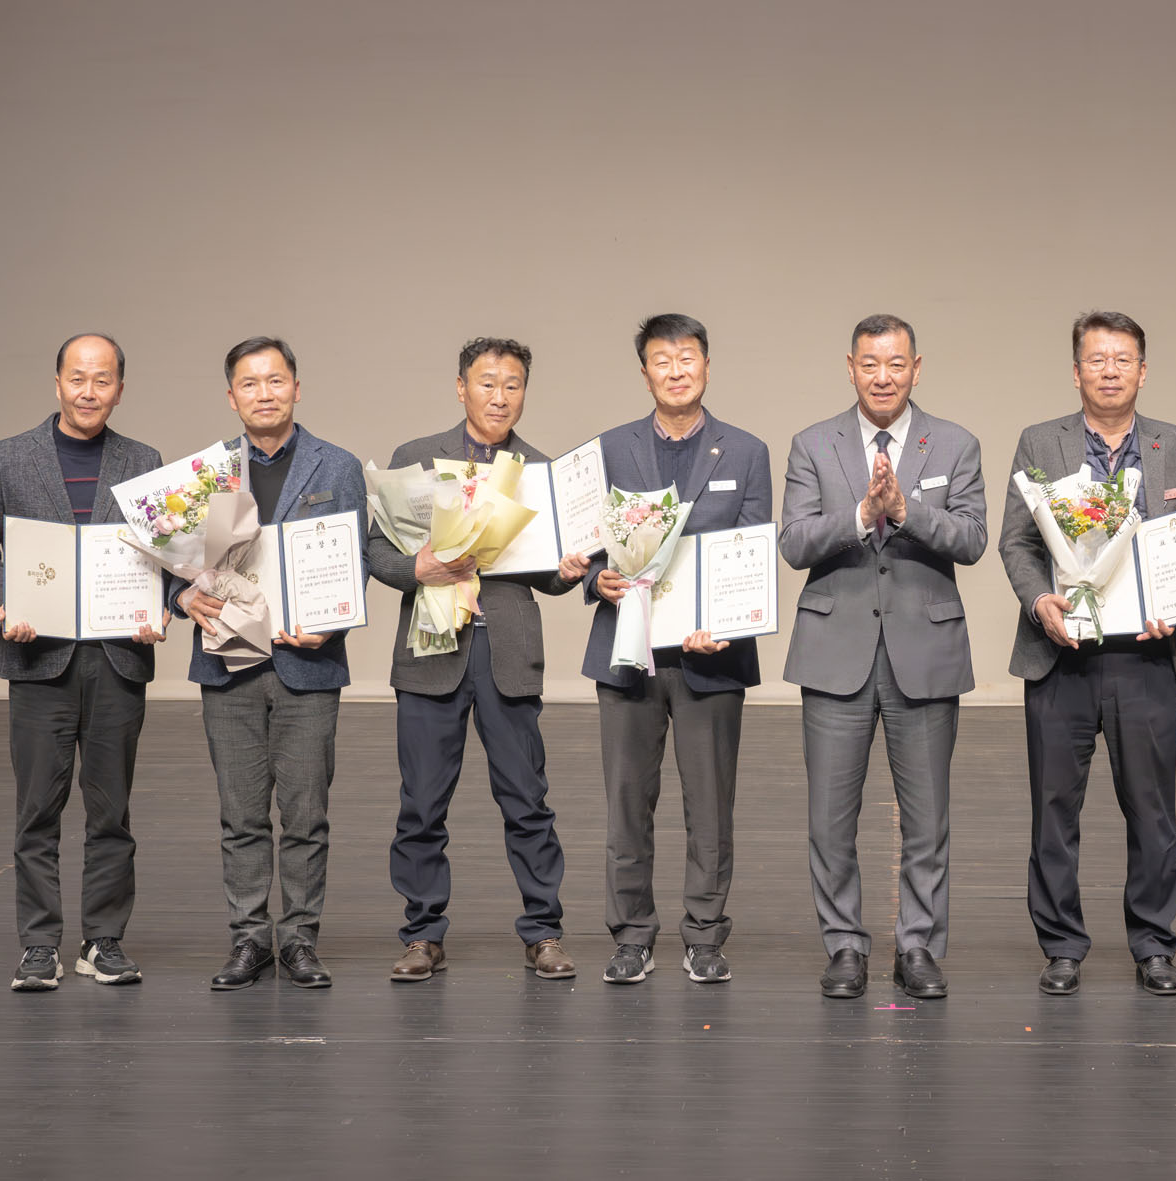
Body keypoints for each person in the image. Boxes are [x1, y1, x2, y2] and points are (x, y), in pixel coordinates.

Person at [366, 336, 593, 983]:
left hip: (507, 651)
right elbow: (377, 551)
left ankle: (544, 932)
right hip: (431, 648)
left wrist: (567, 571)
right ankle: (422, 934)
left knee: (527, 799)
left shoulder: (540, 471)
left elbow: (546, 575)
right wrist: (417, 567)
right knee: (421, 803)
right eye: (487, 383)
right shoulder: (416, 459)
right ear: (461, 387)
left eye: (512, 384)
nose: (500, 396)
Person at [999, 309, 1176, 998]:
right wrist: (1040, 601)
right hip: (1060, 654)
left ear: (1143, 371)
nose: (1109, 371)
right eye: (1097, 359)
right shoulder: (1040, 441)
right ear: (1076, 371)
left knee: (1151, 808)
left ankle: (1153, 943)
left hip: (1145, 657)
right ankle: (1061, 944)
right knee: (1054, 809)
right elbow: (1017, 541)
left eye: (1122, 359)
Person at [780, 313, 987, 1000]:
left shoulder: (955, 443)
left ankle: (918, 945)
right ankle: (844, 945)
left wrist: (904, 511)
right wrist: (862, 516)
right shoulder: (814, 443)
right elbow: (795, 542)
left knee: (927, 819)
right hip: (833, 650)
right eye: (870, 363)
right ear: (850, 367)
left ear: (916, 368)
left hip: (923, 653)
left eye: (896, 364)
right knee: (829, 819)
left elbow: (972, 538)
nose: (882, 376)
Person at [0, 333, 164, 991]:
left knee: (111, 811)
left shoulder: (145, 462)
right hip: (38, 657)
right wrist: (6, 601)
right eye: (78, 378)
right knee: (37, 809)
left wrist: (159, 604)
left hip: (117, 658)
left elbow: (169, 556)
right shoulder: (7, 457)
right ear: (57, 382)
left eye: (102, 380)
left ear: (119, 389)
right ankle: (39, 944)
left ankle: (103, 941)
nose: (88, 391)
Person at [578, 314, 773, 986]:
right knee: (627, 803)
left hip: (709, 656)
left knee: (710, 807)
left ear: (707, 366)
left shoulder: (745, 451)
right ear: (645, 374)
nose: (676, 371)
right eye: (662, 361)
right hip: (627, 653)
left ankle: (705, 936)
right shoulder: (609, 449)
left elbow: (751, 550)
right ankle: (631, 935)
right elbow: (585, 549)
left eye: (687, 358)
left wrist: (724, 621)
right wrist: (596, 580)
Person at [173, 337, 366, 990]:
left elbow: (356, 559)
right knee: (241, 814)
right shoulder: (206, 474)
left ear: (297, 388)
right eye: (250, 383)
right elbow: (170, 559)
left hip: (308, 663)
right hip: (228, 663)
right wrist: (181, 597)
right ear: (232, 397)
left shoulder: (337, 466)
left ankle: (301, 939)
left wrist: (335, 618)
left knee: (307, 814)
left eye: (276, 380)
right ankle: (250, 938)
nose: (264, 393)